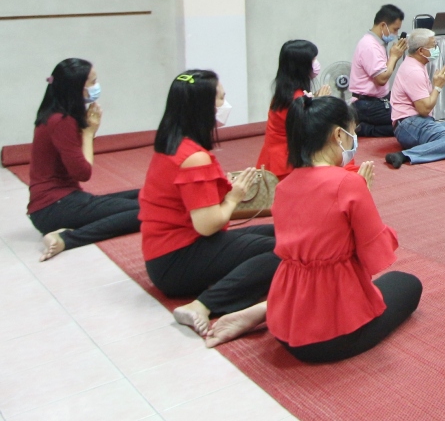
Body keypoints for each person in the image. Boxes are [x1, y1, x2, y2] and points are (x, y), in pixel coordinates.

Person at [204, 95, 423, 359]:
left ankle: (265, 310)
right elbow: (374, 257)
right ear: (338, 135)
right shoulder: (347, 183)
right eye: (352, 132)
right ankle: (265, 311)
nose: (354, 139)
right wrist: (363, 197)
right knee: (407, 283)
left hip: (286, 326)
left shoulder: (284, 186)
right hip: (333, 334)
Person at [139, 70, 279, 338]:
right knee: (282, 251)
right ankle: (203, 305)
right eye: (221, 99)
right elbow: (208, 225)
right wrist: (234, 196)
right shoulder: (193, 157)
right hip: (175, 261)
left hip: (168, 252)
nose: (225, 105)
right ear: (203, 107)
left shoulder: (173, 144)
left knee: (281, 233)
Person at [26, 58, 140, 262]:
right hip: (53, 206)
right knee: (145, 211)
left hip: (63, 200)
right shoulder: (61, 120)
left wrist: (88, 131)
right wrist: (88, 133)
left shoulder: (57, 113)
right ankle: (66, 239)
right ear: (77, 87)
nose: (97, 86)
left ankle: (69, 228)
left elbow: (74, 159)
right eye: (92, 82)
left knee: (147, 196)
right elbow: (83, 172)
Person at [385, 29, 445, 168]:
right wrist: (437, 87)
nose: (436, 48)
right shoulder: (413, 71)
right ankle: (405, 155)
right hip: (409, 126)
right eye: (434, 46)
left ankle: (444, 144)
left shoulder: (416, 64)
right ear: (421, 51)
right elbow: (424, 110)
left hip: (420, 122)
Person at [256, 40, 331, 180]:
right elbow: (310, 131)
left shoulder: (285, 93)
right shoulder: (296, 99)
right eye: (313, 60)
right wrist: (320, 104)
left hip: (276, 157)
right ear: (301, 66)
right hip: (285, 163)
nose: (316, 63)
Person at [349, 4, 409, 138]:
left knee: (409, 110)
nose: (396, 34)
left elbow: (386, 70)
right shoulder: (370, 46)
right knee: (407, 121)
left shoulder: (378, 43)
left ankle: (365, 125)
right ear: (383, 25)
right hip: (367, 104)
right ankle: (364, 128)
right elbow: (381, 79)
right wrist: (394, 57)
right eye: (395, 29)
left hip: (378, 100)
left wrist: (395, 56)